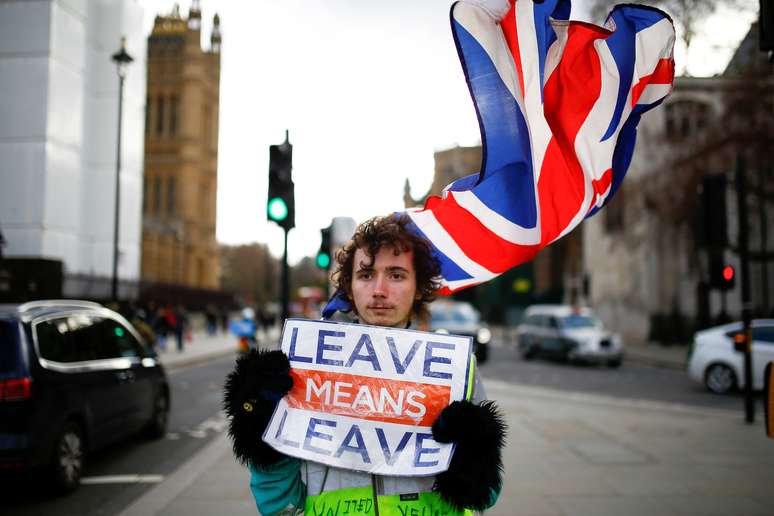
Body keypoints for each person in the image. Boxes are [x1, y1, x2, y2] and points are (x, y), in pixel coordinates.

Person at [224, 214, 505, 515]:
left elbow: (482, 495)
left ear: (420, 287)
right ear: (349, 287)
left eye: (396, 275)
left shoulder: (457, 368)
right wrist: (260, 429)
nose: (379, 290)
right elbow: (278, 501)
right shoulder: (305, 366)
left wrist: (476, 450)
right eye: (366, 275)